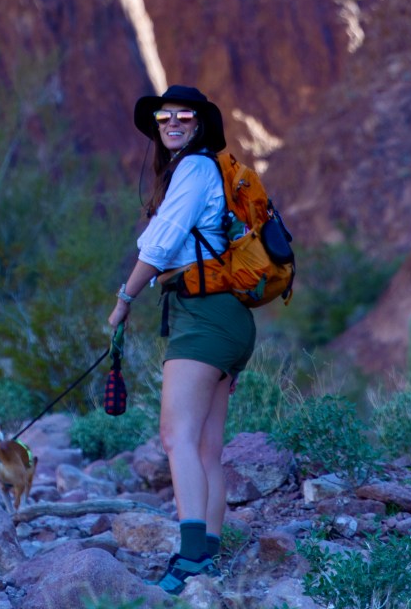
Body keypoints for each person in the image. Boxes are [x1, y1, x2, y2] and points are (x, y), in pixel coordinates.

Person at [107, 84, 255, 596]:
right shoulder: (207, 169)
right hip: (229, 320)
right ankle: (208, 555)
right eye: (164, 117)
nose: (171, 123)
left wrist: (125, 298)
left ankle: (190, 560)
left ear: (198, 124)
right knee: (206, 446)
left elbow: (162, 240)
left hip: (204, 319)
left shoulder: (193, 169)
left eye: (182, 117)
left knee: (176, 437)